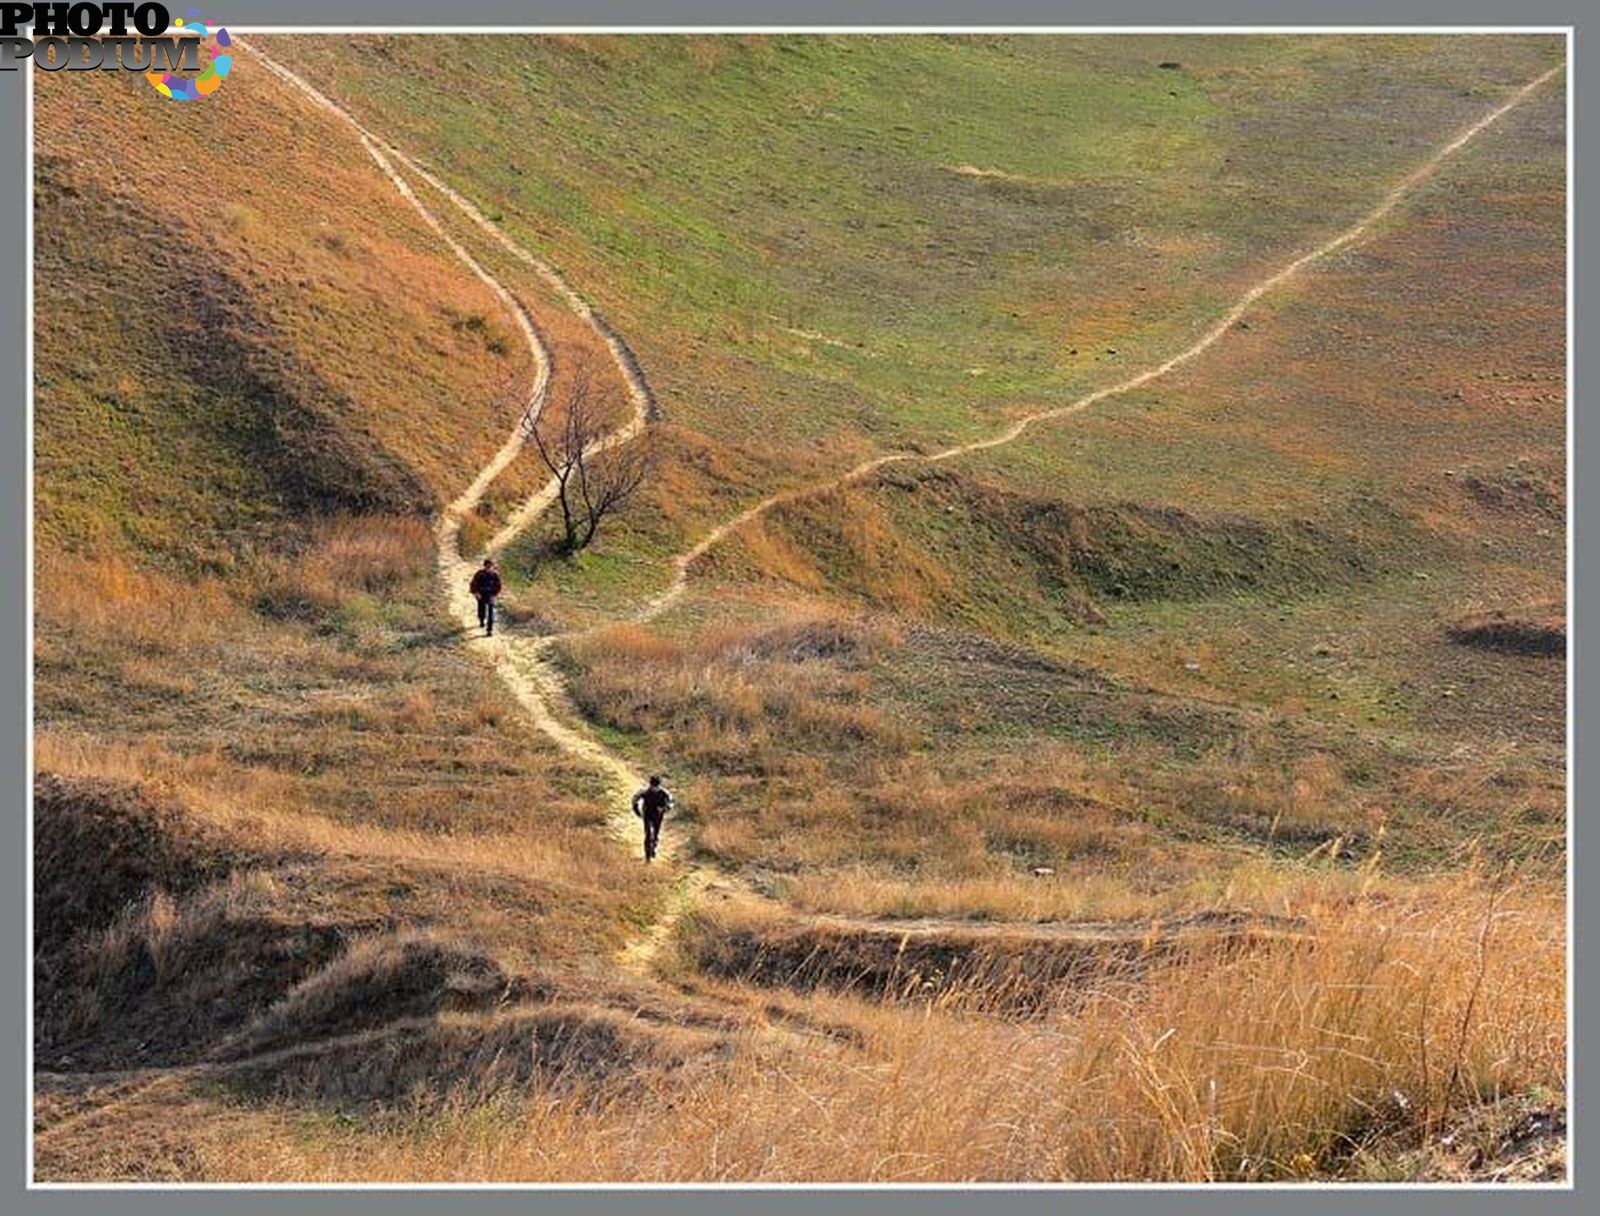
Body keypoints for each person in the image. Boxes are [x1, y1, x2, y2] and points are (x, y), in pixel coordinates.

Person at [631, 774, 673, 862]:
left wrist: (664, 809)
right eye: (653, 786)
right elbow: (635, 800)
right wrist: (637, 811)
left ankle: (653, 847)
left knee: (655, 833)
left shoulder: (663, 792)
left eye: (656, 786)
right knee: (648, 834)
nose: (654, 788)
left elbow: (670, 803)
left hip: (657, 815)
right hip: (648, 815)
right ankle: (648, 855)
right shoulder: (646, 791)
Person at [468, 557, 502, 636]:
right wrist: (476, 593)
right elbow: (473, 584)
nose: (489, 568)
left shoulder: (495, 575)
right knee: (481, 609)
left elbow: (498, 586)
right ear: (484, 566)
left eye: (490, 566)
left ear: (493, 566)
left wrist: (494, 595)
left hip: (491, 595)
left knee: (491, 613)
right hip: (481, 594)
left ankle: (489, 630)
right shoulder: (479, 574)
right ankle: (481, 620)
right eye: (487, 566)